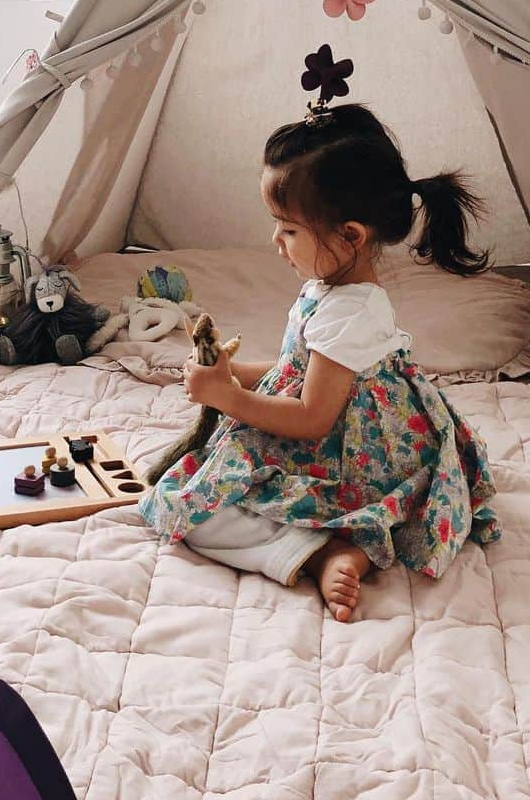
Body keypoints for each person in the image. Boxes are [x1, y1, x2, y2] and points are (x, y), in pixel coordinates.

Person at [140, 49, 502, 621]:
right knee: (196, 477)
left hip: (351, 459)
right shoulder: (327, 290)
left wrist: (229, 398)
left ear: (351, 235)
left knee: (187, 508)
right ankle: (322, 544)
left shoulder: (349, 314)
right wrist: (232, 374)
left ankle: (322, 549)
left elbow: (312, 416)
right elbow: (296, 372)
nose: (275, 242)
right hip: (343, 427)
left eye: (288, 229)